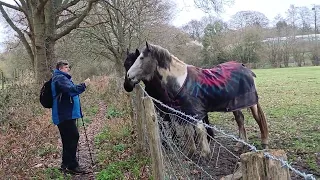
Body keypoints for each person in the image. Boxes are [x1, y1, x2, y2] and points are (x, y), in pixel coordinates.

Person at [51, 60, 90, 174]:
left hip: (65, 114)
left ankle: (65, 164)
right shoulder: (60, 78)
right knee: (73, 137)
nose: (68, 69)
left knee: (67, 139)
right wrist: (84, 85)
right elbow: (72, 91)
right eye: (66, 67)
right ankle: (72, 166)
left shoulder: (61, 78)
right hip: (64, 115)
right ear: (61, 68)